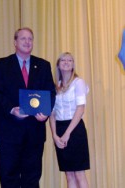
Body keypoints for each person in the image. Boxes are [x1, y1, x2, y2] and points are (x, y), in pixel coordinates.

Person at [0, 27, 56, 188]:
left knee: (32, 178)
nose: (27, 42)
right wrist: (12, 109)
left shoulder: (43, 65)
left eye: (30, 39)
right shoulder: (1, 64)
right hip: (8, 130)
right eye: (23, 38)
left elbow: (51, 93)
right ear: (15, 42)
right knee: (8, 176)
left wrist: (45, 113)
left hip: (34, 131)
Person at [49, 52, 90, 188]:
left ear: (73, 65)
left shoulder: (78, 83)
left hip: (75, 129)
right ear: (58, 65)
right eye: (63, 60)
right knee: (69, 175)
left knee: (79, 173)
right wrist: (55, 135)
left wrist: (67, 133)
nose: (66, 62)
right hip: (59, 128)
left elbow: (80, 109)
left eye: (70, 60)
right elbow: (52, 113)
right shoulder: (56, 86)